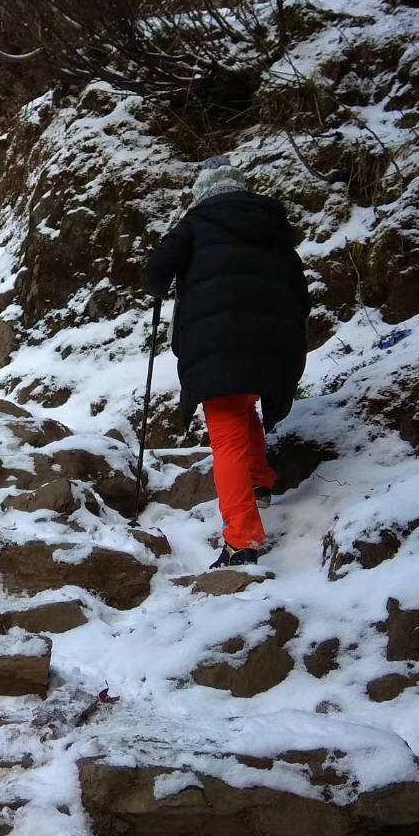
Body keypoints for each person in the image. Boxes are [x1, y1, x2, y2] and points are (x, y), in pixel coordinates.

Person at [146, 159, 309, 569]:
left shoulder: (195, 223)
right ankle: (260, 482)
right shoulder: (273, 226)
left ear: (203, 192)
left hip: (218, 340)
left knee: (227, 431)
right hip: (272, 340)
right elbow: (300, 291)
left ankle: (241, 540)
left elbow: (156, 271)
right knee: (243, 402)